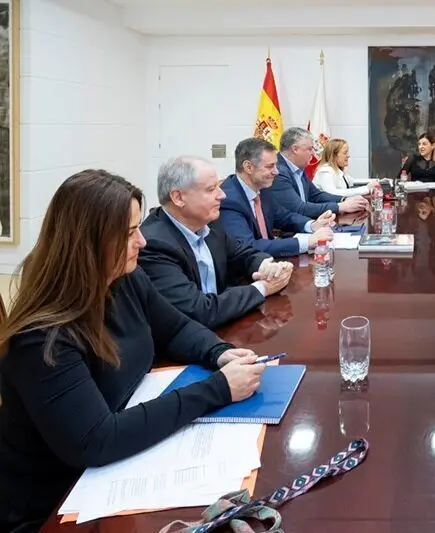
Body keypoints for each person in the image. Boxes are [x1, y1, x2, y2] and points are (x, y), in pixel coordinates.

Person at [0, 170, 268, 532]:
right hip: (58, 504)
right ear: (88, 243)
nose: (142, 241)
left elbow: (173, 326)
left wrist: (219, 352)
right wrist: (219, 388)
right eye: (129, 233)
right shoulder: (40, 337)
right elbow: (97, 439)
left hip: (122, 456)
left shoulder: (124, 276)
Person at [138, 156, 293, 329]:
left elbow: (243, 254)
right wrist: (262, 288)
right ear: (178, 197)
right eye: (211, 189)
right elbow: (198, 311)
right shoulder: (152, 245)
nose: (222, 195)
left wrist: (265, 266)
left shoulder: (209, 223)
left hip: (223, 329)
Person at [219, 137, 336, 258]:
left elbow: (284, 216)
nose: (276, 172)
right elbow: (248, 246)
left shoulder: (262, 188)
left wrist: (313, 225)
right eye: (270, 166)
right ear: (248, 167)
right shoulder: (228, 200)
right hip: (245, 272)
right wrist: (307, 242)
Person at [270, 127, 369, 218]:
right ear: (295, 149)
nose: (313, 153)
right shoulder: (278, 172)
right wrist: (340, 206)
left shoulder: (297, 168)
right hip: (287, 232)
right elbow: (299, 209)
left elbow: (316, 195)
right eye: (310, 149)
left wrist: (343, 199)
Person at [314, 138, 381, 196]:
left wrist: (377, 181)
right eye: (345, 153)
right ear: (334, 156)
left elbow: (353, 181)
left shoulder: (338, 170)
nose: (348, 156)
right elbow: (332, 193)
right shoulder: (325, 171)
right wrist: (366, 188)